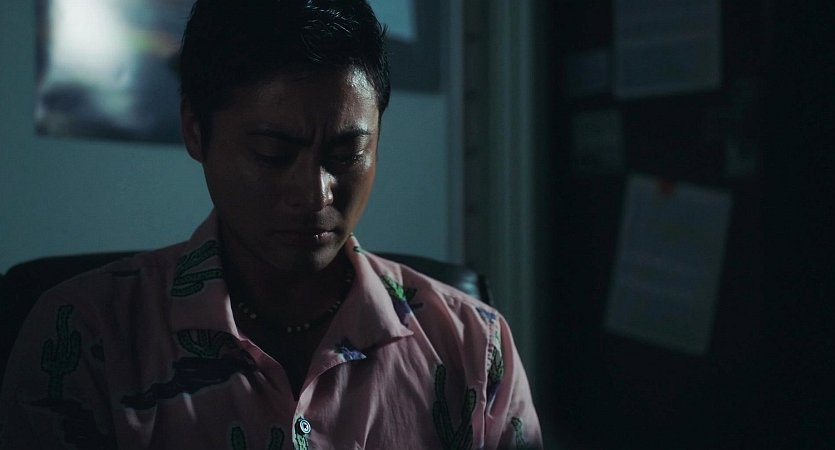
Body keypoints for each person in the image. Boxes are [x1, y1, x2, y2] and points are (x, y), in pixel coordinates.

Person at [0, 0, 542, 448]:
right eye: (272, 153)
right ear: (195, 130)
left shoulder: (475, 346)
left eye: (346, 154)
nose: (315, 193)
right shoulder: (82, 336)